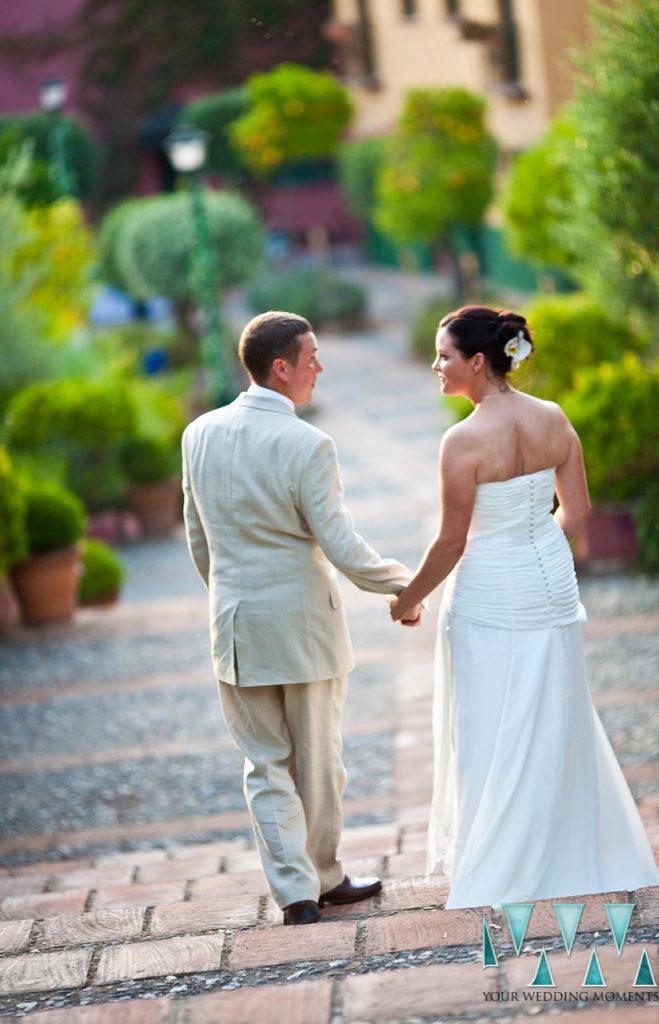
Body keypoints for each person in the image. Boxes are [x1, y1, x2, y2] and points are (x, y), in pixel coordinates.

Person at [389, 306, 659, 909]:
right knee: (556, 711)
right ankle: (572, 846)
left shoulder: (461, 441)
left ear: (478, 362)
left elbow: (452, 541)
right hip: (551, 584)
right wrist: (537, 544)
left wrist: (407, 599)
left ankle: (503, 855)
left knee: (492, 719)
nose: (436, 365)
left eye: (444, 356)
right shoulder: (553, 418)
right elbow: (579, 510)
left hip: (488, 591)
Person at [181, 310, 421, 926]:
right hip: (305, 625)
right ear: (280, 367)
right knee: (317, 761)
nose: (320, 367)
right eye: (311, 356)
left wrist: (232, 597)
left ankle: (296, 895)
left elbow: (198, 540)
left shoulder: (198, 433)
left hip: (234, 625)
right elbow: (341, 545)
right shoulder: (308, 444)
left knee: (263, 764)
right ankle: (326, 877)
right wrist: (408, 586)